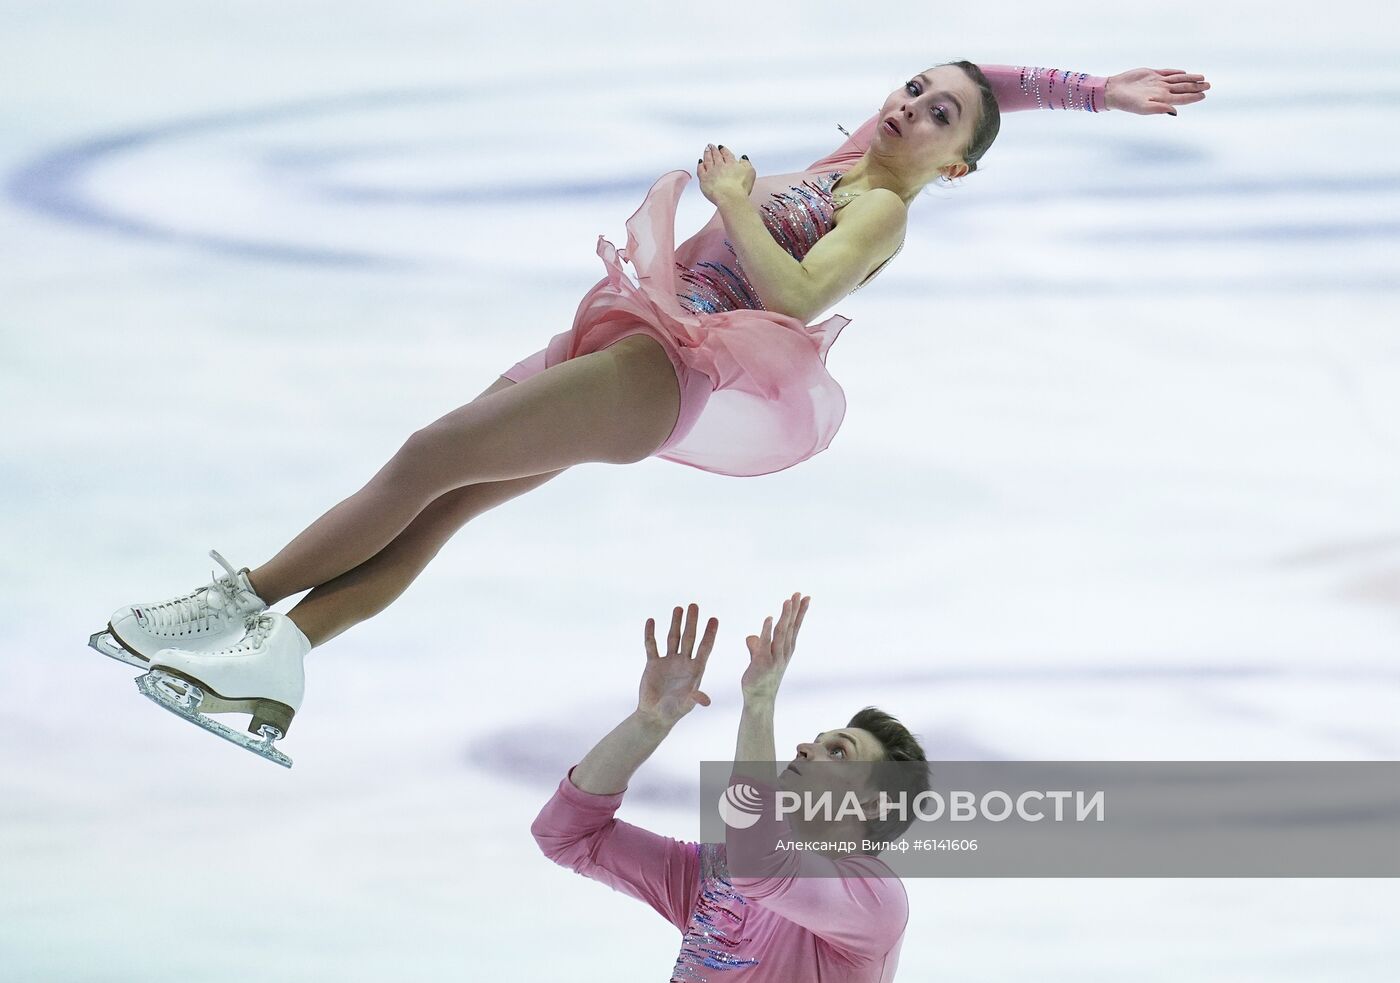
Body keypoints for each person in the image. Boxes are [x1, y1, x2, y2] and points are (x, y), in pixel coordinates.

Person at [88, 61, 1211, 764]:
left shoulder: (880, 207)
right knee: (443, 503)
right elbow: (985, 77)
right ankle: (280, 658)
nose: (911, 106)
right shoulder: (857, 152)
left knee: (431, 455)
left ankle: (216, 615)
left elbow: (802, 294)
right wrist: (1086, 91)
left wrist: (731, 202)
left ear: (952, 167)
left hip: (661, 374)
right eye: (914, 88)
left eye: (938, 116)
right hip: (621, 334)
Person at [533, 594, 929, 982]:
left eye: (839, 752)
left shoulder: (874, 900)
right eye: (818, 739)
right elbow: (567, 835)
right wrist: (647, 724)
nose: (806, 747)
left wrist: (759, 702)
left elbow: (761, 865)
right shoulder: (715, 874)